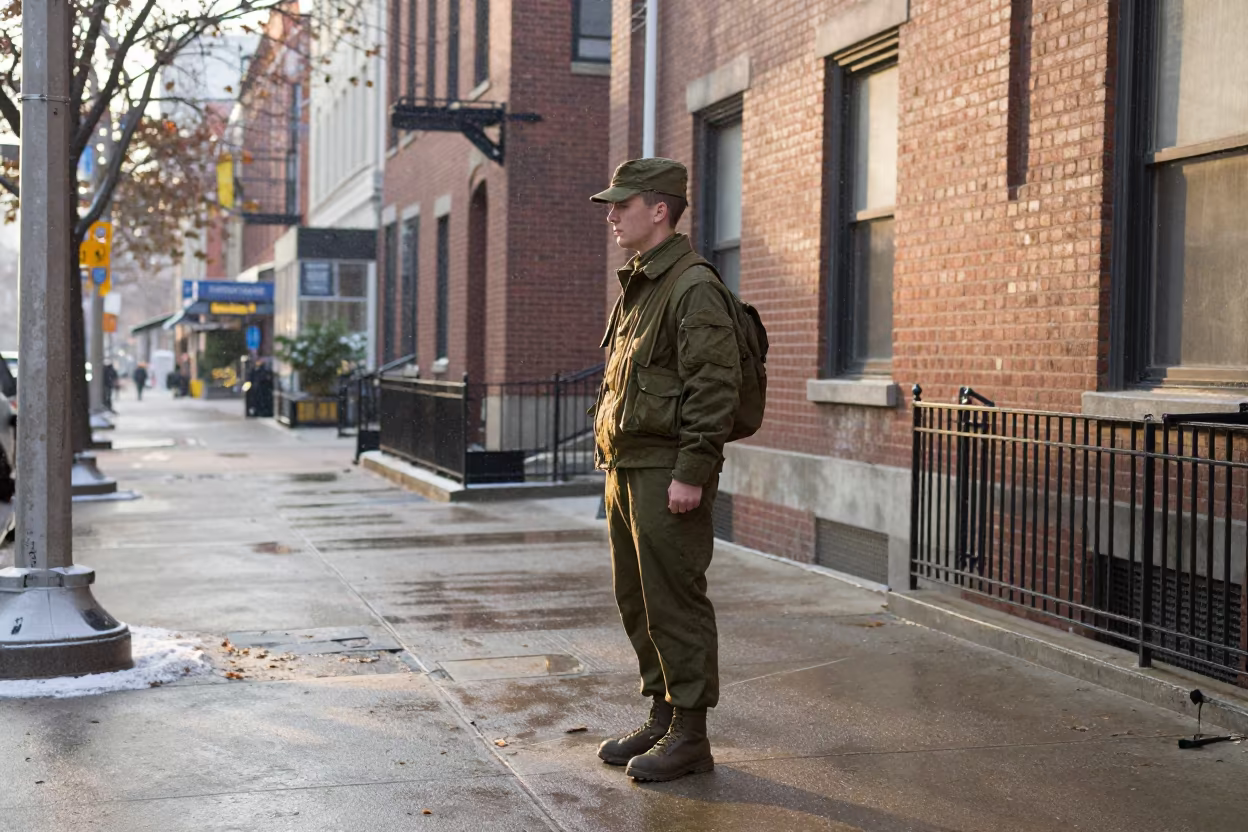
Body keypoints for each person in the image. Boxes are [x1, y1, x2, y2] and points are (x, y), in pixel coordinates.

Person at [590, 158, 743, 782]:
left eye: (622, 205)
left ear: (659, 211)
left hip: (666, 470)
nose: (612, 215)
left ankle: (691, 733)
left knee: (674, 597)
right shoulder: (644, 282)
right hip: (628, 466)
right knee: (638, 598)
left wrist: (692, 471)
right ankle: (661, 713)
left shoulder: (692, 284)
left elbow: (715, 386)